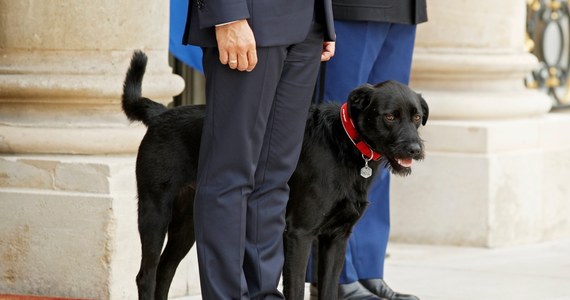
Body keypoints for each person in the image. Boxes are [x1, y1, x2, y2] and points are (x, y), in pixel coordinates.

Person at [182, 0, 335, 298]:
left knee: (275, 177)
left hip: (307, 24)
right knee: (229, 174)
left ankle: (263, 294)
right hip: (248, 18)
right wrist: (227, 16)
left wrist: (323, 18)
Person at [307, 1, 427, 299]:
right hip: (350, 7)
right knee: (339, 142)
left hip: (403, 10)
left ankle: (368, 269)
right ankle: (336, 277)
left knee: (389, 145)